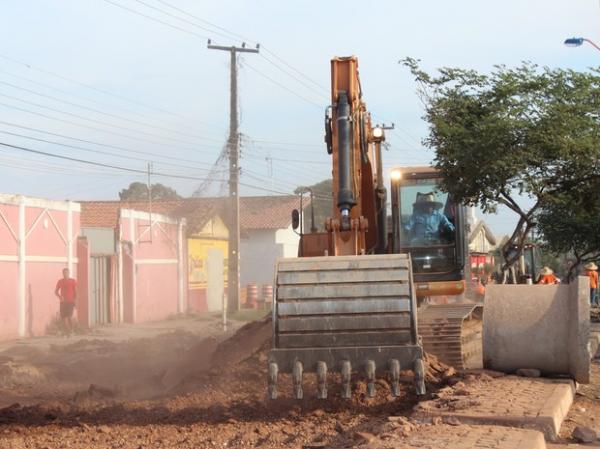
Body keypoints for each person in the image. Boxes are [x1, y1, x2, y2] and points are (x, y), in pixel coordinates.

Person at [54, 268, 77, 336]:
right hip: (63, 302)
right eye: (64, 273)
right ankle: (68, 332)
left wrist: (75, 301)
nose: (65, 274)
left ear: (69, 273)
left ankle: (72, 330)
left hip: (70, 301)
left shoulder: (72, 281)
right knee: (64, 318)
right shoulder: (60, 281)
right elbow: (56, 291)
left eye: (66, 273)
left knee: (69, 317)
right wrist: (59, 296)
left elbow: (76, 292)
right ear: (62, 273)